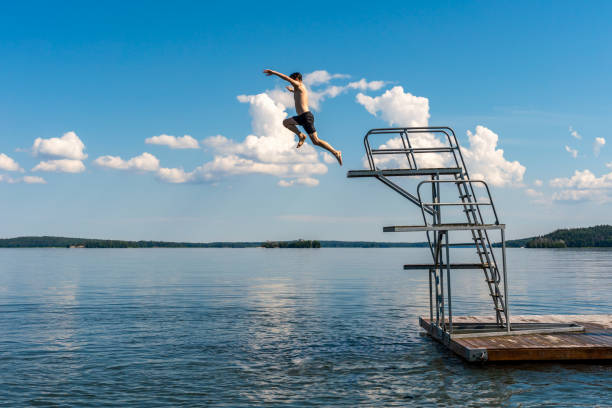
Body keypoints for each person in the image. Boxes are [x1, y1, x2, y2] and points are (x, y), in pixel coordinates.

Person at [263, 69, 342, 165]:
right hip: (301, 117)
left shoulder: (299, 85)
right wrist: (292, 91)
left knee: (316, 141)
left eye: (293, 81)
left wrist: (273, 72)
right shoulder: (298, 89)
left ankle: (335, 152)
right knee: (286, 122)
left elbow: (286, 78)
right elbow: (299, 95)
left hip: (306, 117)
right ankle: (301, 135)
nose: (292, 84)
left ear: (296, 79)